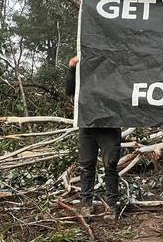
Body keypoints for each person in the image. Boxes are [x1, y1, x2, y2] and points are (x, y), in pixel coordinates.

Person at [66, 56, 122, 219]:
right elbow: (70, 90)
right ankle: (86, 204)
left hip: (109, 126)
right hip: (88, 126)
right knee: (86, 166)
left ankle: (111, 206)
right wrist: (72, 69)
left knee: (110, 166)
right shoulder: (83, 66)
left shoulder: (114, 67)